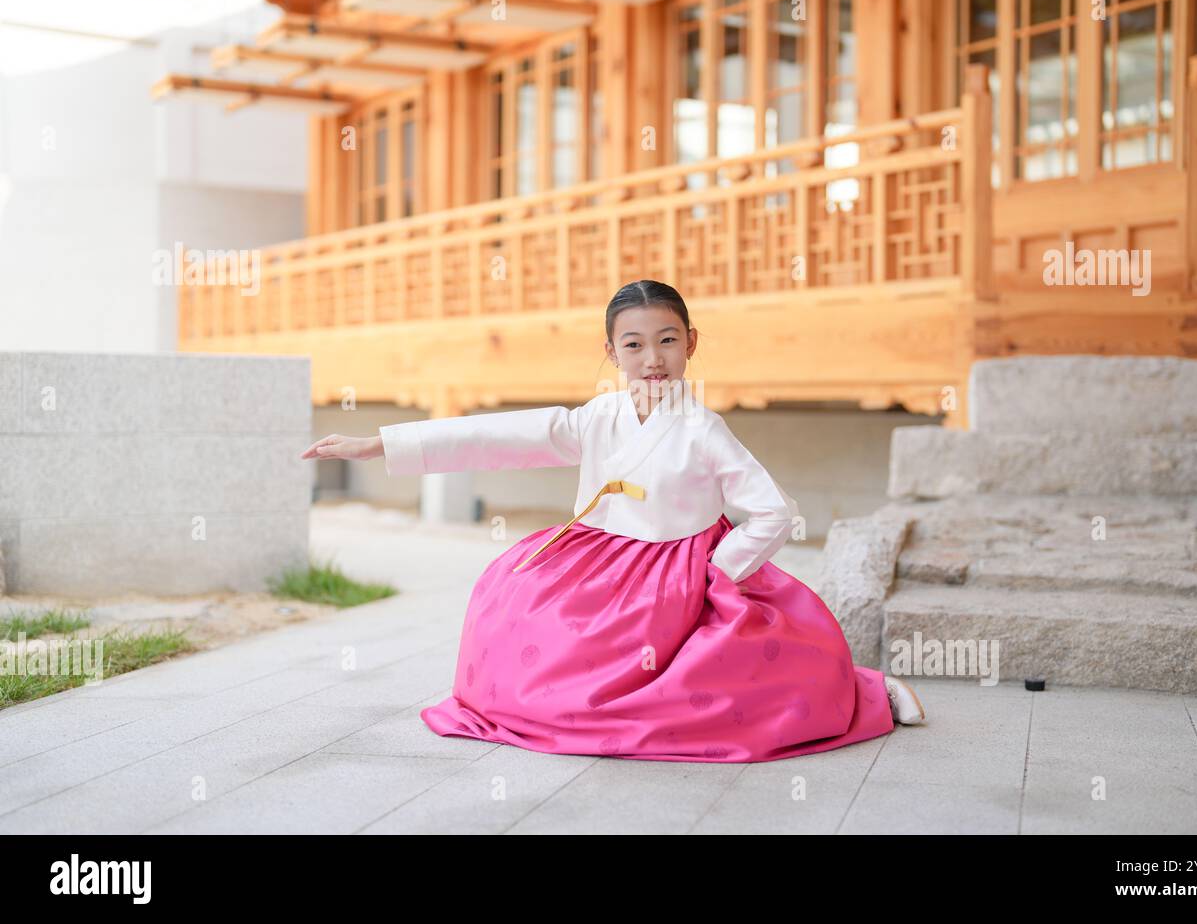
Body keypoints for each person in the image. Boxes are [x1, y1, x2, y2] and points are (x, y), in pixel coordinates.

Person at [301, 279, 925, 763]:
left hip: (683, 574)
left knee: (749, 679)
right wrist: (377, 444)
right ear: (611, 352)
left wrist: (720, 571)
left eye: (667, 340)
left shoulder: (704, 429)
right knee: (511, 599)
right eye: (633, 345)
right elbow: (497, 435)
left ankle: (874, 692)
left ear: (691, 342)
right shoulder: (596, 419)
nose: (652, 359)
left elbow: (773, 512)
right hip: (599, 562)